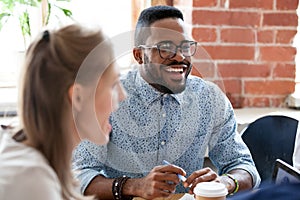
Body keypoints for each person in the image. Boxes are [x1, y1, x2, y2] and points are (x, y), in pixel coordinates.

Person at [72, 5, 261, 199]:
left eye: (185, 47)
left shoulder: (210, 98)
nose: (180, 57)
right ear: (139, 55)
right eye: (165, 48)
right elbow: (79, 176)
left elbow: (244, 167)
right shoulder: (107, 97)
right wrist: (134, 186)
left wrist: (225, 182)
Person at [0, 24, 126, 200]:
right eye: (113, 85)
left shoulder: (33, 159)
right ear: (78, 97)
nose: (122, 95)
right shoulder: (31, 181)